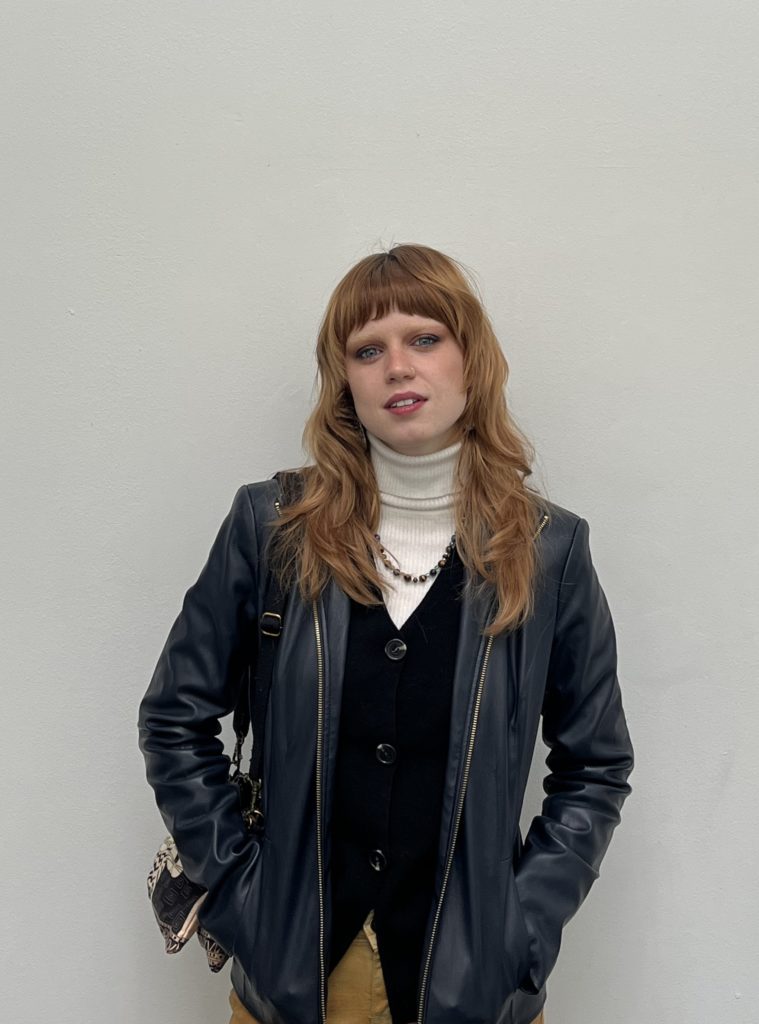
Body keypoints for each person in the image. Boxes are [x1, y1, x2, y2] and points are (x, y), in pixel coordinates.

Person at [138, 243, 634, 1024]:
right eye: (367, 349)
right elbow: (174, 719)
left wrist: (521, 929)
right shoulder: (270, 529)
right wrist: (240, 895)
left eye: (424, 338)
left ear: (470, 359)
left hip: (473, 993)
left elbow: (595, 765)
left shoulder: (548, 551)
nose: (396, 366)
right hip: (294, 987)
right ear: (344, 380)